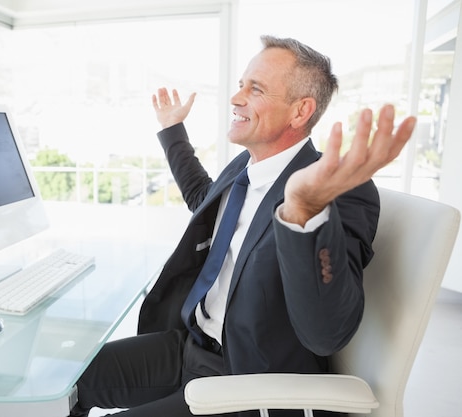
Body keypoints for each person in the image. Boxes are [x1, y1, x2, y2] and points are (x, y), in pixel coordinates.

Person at [70, 35, 417, 417]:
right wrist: (173, 131)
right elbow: (204, 199)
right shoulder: (245, 168)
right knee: (68, 383)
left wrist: (302, 213)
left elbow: (326, 332)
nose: (236, 98)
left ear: (300, 112)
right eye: (240, 85)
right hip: (193, 349)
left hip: (253, 379)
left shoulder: (336, 191)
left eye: (256, 89)